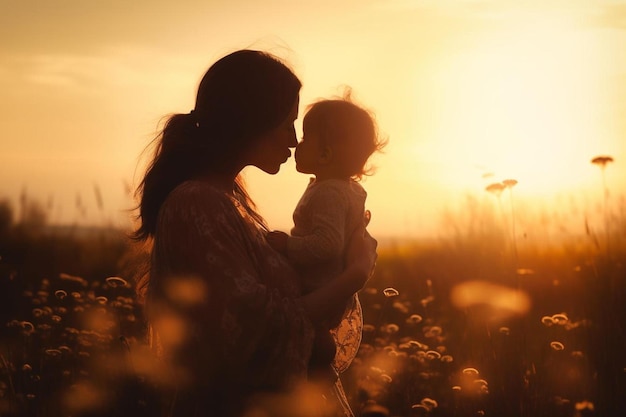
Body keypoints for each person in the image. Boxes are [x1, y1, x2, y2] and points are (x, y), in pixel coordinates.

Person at [132, 49, 377, 417]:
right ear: (251, 121)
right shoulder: (196, 204)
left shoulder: (230, 202)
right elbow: (255, 334)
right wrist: (355, 275)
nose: (294, 141)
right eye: (286, 124)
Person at [266, 93, 385, 387]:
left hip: (317, 289)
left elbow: (326, 244)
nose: (297, 144)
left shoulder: (328, 193)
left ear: (325, 155)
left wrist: (287, 246)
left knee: (310, 354)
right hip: (332, 293)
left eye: (305, 139)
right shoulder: (350, 190)